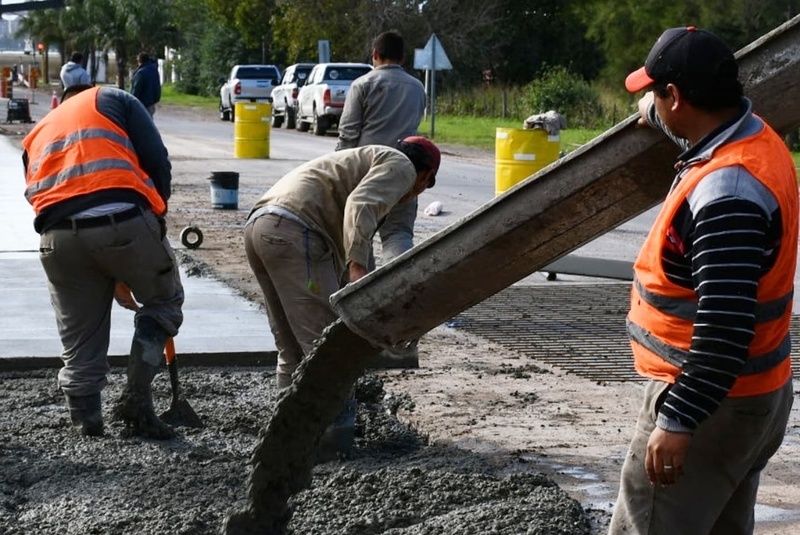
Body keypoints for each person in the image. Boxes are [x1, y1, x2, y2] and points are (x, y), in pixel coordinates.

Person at [609, 27, 797, 535]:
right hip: (756, 395)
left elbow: (725, 327)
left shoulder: (727, 194)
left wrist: (677, 421)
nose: (648, 100)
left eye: (654, 92)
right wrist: (655, 115)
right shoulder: (753, 135)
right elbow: (686, 123)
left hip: (708, 401)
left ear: (678, 96)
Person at [244, 137, 439, 455]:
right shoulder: (401, 166)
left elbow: (346, 219)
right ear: (424, 175)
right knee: (329, 348)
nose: (414, 195)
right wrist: (357, 269)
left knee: (292, 347)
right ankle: (337, 441)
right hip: (296, 231)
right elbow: (360, 206)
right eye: (424, 187)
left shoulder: (363, 160)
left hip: (261, 228)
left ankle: (285, 437)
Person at [21, 83, 184, 440]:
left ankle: (88, 424)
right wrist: (153, 225)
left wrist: (108, 266)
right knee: (164, 302)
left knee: (80, 337)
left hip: (57, 239)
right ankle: (136, 402)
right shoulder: (112, 97)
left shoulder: (38, 133)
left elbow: (41, 195)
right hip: (123, 221)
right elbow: (157, 158)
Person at [336, 30, 427, 366]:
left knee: (360, 243)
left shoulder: (362, 85)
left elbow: (348, 135)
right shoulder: (418, 87)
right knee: (399, 238)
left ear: (374, 54)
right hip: (406, 173)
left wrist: (340, 173)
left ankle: (368, 320)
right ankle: (402, 307)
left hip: (367, 175)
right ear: (402, 57)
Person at [131, 52, 161, 117]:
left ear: (139, 60)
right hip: (151, 102)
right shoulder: (154, 70)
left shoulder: (141, 73)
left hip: (142, 103)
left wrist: (131, 101)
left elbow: (136, 89)